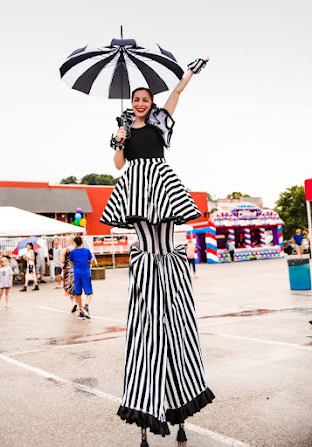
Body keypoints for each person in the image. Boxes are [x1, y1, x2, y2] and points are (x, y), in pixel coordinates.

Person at [100, 59, 214, 444]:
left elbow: (178, 94)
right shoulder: (123, 130)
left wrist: (189, 75)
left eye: (146, 98)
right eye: (137, 99)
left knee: (165, 240)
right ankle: (149, 406)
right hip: (136, 186)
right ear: (131, 104)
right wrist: (118, 137)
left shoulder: (160, 124)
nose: (142, 102)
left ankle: (167, 265)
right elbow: (118, 164)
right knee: (145, 242)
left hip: (160, 183)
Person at [69, 236, 93, 320]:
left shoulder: (73, 252)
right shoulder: (87, 251)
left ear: (75, 243)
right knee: (89, 292)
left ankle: (81, 309)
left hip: (77, 274)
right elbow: (91, 261)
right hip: (86, 273)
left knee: (78, 293)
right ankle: (85, 306)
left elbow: (71, 263)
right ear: (82, 242)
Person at [61, 235, 77, 312]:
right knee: (76, 286)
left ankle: (74, 303)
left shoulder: (65, 250)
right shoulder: (77, 248)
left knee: (69, 287)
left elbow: (62, 260)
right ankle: (78, 302)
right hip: (77, 268)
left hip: (68, 270)